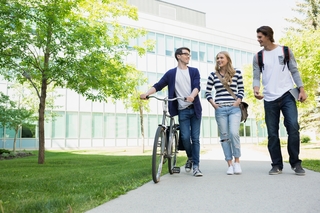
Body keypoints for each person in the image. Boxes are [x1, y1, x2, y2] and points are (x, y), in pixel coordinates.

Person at [252, 26, 308, 176]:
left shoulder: (285, 51)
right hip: (269, 98)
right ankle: (276, 165)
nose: (258, 39)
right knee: (272, 133)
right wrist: (256, 89)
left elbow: (294, 71)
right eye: (257, 37)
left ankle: (296, 163)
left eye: (260, 37)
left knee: (293, 127)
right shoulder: (258, 57)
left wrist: (301, 89)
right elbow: (256, 76)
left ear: (268, 36)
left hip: (287, 94)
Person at [140, 47, 203, 177]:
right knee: (185, 137)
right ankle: (190, 157)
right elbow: (158, 85)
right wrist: (146, 93)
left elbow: (197, 86)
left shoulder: (194, 71)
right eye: (186, 54)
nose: (188, 57)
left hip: (195, 109)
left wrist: (192, 96)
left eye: (189, 55)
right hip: (182, 110)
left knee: (195, 139)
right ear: (178, 56)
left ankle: (196, 166)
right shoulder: (171, 73)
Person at [205, 51, 244, 175]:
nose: (219, 60)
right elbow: (207, 92)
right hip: (220, 109)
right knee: (225, 137)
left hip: (234, 109)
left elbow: (241, 90)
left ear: (227, 59)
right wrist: (213, 104)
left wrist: (237, 102)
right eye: (217, 58)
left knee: (234, 133)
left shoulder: (236, 73)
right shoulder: (213, 75)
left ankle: (237, 162)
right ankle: (229, 164)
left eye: (221, 58)